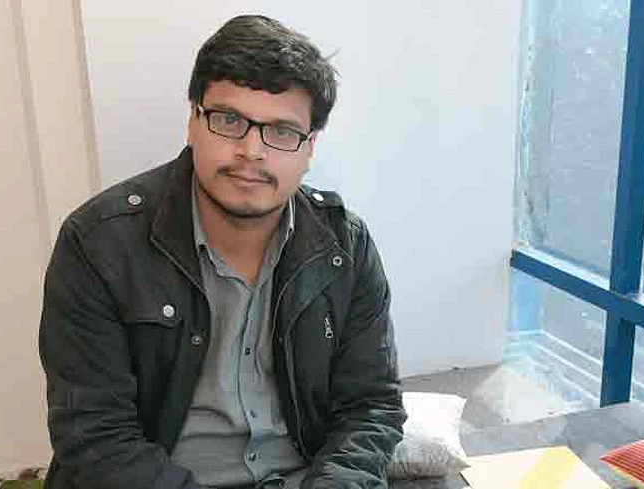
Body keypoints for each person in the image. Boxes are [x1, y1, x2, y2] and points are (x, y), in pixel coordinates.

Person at [39, 14, 405, 489]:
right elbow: (95, 437)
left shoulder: (345, 246)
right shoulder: (98, 244)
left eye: (282, 131)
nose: (252, 151)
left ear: (310, 147)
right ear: (193, 121)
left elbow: (370, 406)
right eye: (229, 121)